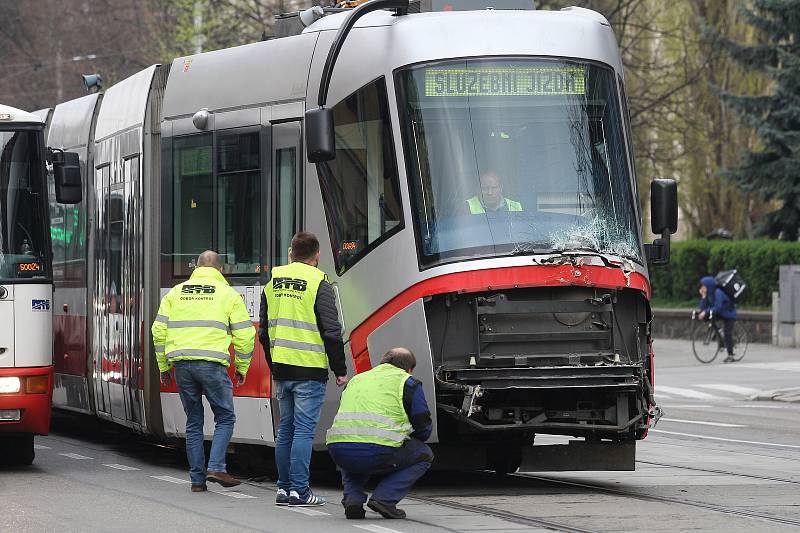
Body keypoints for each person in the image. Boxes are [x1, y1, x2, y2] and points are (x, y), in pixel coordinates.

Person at [151, 250, 255, 492]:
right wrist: (242, 367)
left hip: (183, 366)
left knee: (194, 421)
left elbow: (158, 331)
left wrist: (164, 367)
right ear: (220, 270)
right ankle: (216, 466)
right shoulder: (228, 294)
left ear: (195, 269)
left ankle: (197, 481)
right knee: (225, 417)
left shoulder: (175, 293)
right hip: (212, 365)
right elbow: (245, 335)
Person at [259, 231, 348, 507]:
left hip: (283, 369)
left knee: (286, 429)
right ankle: (300, 490)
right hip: (309, 369)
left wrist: (273, 363)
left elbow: (263, 332)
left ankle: (284, 489)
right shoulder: (318, 282)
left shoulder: (272, 281)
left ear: (291, 253)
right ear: (317, 255)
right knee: (303, 432)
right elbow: (332, 331)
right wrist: (340, 369)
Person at [326, 347, 433, 520]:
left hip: (338, 448)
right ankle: (384, 499)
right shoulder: (408, 382)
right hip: (378, 449)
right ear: (409, 369)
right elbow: (422, 424)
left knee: (352, 449)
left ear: (382, 363)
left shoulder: (356, 380)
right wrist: (413, 438)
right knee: (424, 455)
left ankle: (353, 500)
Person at [698, 276, 738, 362]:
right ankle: (719, 335)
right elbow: (703, 309)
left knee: (727, 333)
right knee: (707, 317)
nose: (702, 288)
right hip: (720, 313)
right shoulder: (709, 294)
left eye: (703, 286)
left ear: (709, 286)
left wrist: (706, 312)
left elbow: (718, 307)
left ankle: (730, 355)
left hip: (729, 314)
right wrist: (704, 297)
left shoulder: (718, 293)